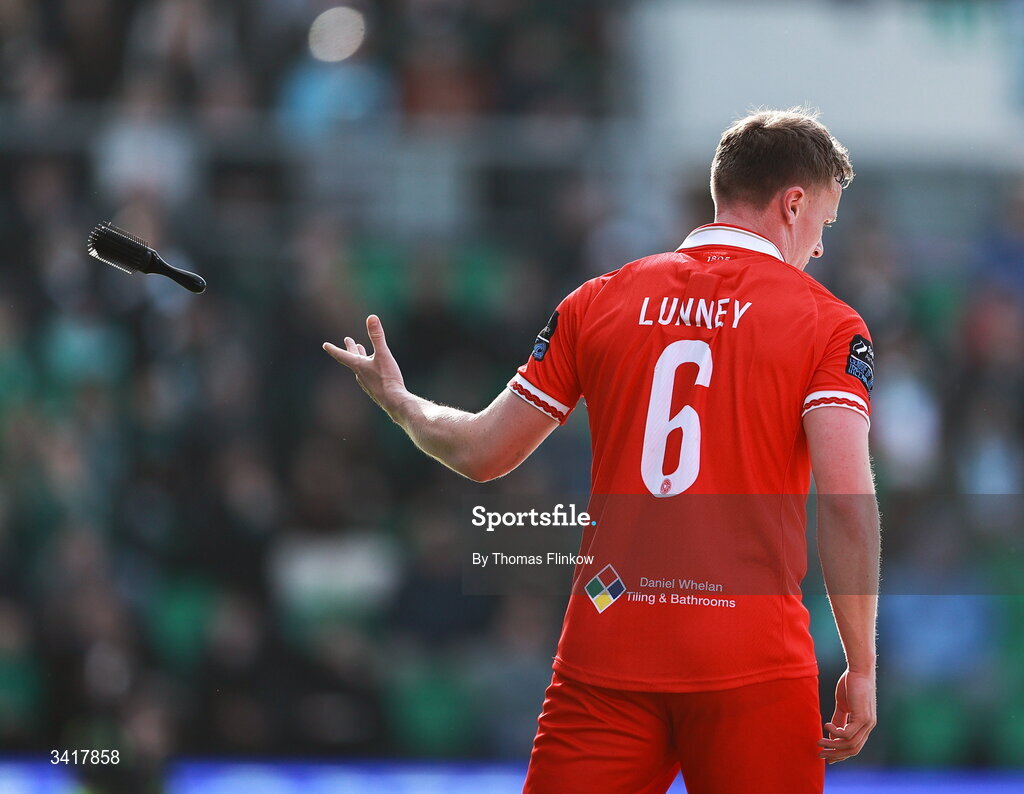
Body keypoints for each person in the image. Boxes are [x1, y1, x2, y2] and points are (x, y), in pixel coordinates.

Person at [324, 108, 880, 794]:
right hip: (752, 657)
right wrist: (861, 664)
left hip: (610, 646)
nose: (820, 247)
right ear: (793, 202)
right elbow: (849, 504)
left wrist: (403, 404)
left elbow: (481, 453)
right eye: (823, 222)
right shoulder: (828, 324)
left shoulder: (599, 301)